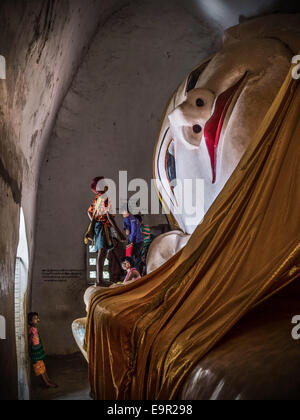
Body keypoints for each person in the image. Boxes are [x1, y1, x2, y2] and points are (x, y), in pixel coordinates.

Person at [86, 177, 115, 286]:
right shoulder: (105, 197)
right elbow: (109, 216)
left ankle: (99, 279)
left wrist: (95, 222)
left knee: (102, 252)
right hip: (103, 227)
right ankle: (99, 280)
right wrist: (118, 231)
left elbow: (89, 212)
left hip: (99, 226)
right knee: (102, 251)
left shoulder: (97, 198)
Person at [28, 312, 57, 389]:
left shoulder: (34, 329)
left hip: (38, 351)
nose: (37, 319)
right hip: (35, 352)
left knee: (42, 366)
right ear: (30, 321)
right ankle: (47, 383)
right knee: (39, 368)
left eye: (37, 318)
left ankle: (48, 380)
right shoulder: (32, 330)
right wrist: (30, 350)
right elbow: (30, 341)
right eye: (35, 318)